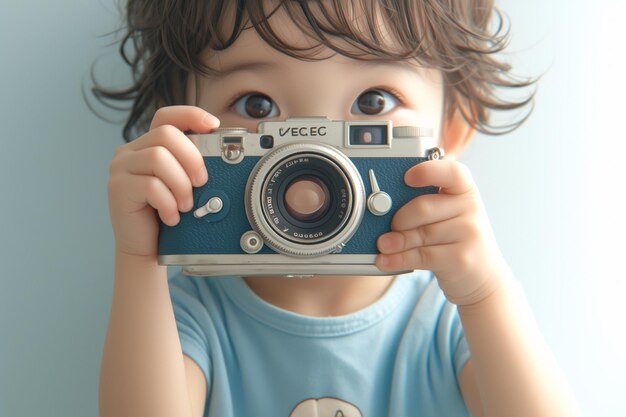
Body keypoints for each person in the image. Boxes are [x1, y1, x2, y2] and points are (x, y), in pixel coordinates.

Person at [95, 1, 579, 416]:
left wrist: (484, 293)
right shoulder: (189, 313)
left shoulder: (450, 316)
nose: (318, 149)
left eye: (373, 102)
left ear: (449, 132)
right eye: (258, 107)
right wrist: (139, 256)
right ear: (189, 140)